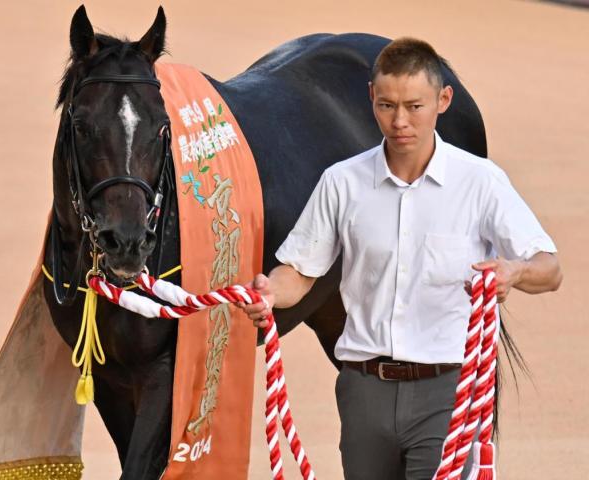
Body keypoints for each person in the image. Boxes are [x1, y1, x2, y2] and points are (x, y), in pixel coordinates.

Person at [240, 37, 562, 480]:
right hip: (363, 392)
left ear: (443, 100)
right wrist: (268, 292)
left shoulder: (481, 183)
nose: (400, 121)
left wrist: (515, 271)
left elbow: (550, 269)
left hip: (447, 392)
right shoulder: (342, 183)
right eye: (387, 105)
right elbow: (298, 273)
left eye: (415, 106)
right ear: (371, 96)